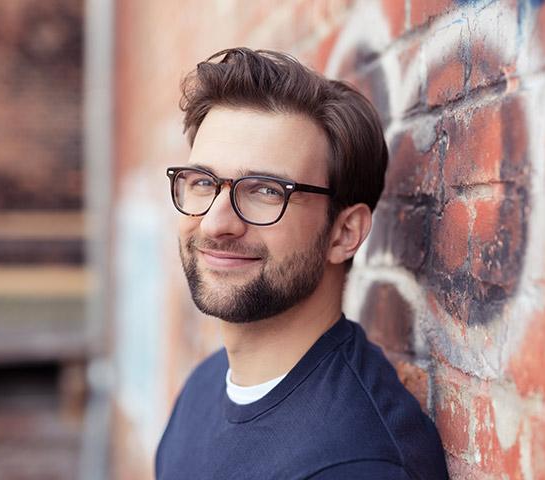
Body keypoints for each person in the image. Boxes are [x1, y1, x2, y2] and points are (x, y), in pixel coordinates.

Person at [156, 47, 448, 480]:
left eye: (266, 191)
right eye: (202, 182)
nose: (216, 223)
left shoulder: (357, 460)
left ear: (343, 233)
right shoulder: (203, 387)